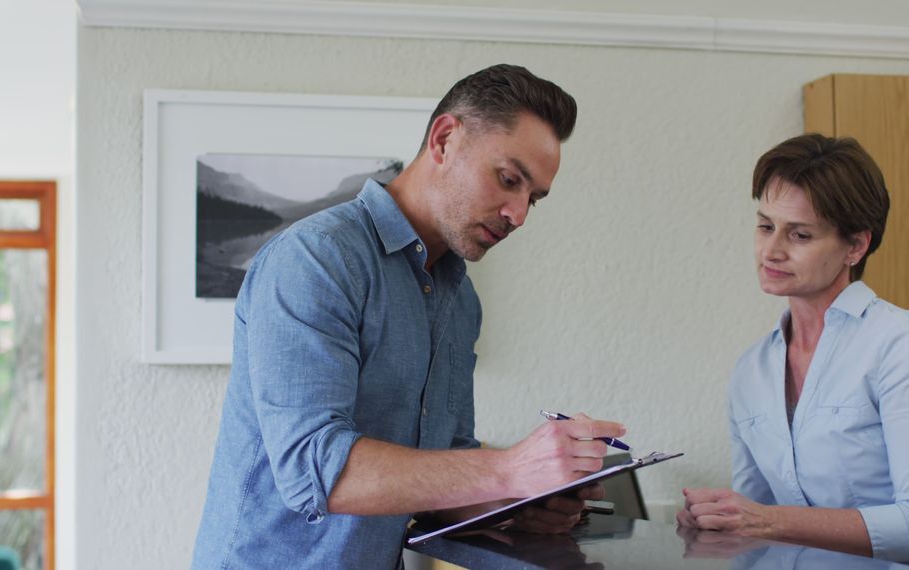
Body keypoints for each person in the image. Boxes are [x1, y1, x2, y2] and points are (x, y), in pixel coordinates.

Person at [191, 64, 626, 569]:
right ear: (444, 139)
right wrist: (508, 469)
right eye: (509, 180)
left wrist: (523, 501)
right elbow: (315, 469)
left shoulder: (462, 302)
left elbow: (444, 478)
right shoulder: (316, 259)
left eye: (534, 197)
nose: (519, 213)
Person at [676, 133, 909, 567]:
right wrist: (719, 525)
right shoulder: (753, 370)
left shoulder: (902, 344)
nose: (771, 250)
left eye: (800, 235)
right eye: (765, 225)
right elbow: (757, 531)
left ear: (856, 246)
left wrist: (768, 521)